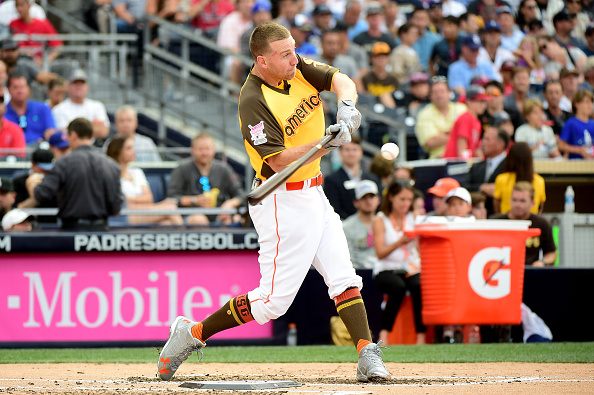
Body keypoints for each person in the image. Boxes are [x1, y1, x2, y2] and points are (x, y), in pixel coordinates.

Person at [157, 22, 391, 383]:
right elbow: (278, 160)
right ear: (262, 60)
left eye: (293, 49)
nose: (294, 58)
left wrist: (346, 106)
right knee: (272, 303)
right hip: (281, 198)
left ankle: (366, 353)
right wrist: (325, 144)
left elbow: (342, 80)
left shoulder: (296, 67)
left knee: (344, 276)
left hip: (313, 192)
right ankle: (193, 333)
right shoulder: (253, 99)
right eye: (284, 54)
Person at [23, 118, 123, 231]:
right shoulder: (112, 165)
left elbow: (40, 194)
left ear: (73, 135)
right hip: (101, 232)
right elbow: (116, 209)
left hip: (71, 232)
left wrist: (32, 182)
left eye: (68, 137)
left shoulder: (63, 163)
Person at [372, 181, 426, 345]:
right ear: (391, 198)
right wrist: (400, 242)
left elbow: (420, 246)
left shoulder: (413, 217)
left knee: (419, 286)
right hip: (386, 268)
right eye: (402, 199)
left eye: (409, 200)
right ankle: (384, 333)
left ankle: (421, 336)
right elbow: (380, 253)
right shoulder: (380, 220)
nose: (406, 204)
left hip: (410, 266)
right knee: (398, 287)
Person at [166, 132, 246, 226]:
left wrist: (229, 204)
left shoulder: (223, 169)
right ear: (192, 150)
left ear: (213, 150)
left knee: (235, 219)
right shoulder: (182, 168)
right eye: (200, 149)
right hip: (191, 215)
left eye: (207, 149)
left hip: (219, 214)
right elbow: (171, 197)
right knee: (198, 220)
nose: (204, 153)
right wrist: (194, 200)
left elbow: (241, 195)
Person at [106, 136, 183, 226]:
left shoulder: (137, 172)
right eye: (129, 148)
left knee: (167, 223)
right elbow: (119, 202)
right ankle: (186, 237)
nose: (134, 151)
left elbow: (149, 198)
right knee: (170, 208)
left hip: (142, 210)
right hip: (122, 215)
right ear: (118, 151)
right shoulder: (110, 174)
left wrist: (131, 201)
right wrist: (138, 201)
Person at [491, 181, 557, 266]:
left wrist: (542, 262)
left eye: (522, 201)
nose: (517, 205)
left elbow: (551, 253)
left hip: (530, 272)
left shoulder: (542, 224)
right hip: (502, 272)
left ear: (532, 203)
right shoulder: (496, 222)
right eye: (514, 200)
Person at [324, 135, 382, 220]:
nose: (351, 154)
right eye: (347, 150)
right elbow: (334, 208)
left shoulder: (373, 179)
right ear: (340, 153)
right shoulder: (332, 180)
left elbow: (380, 203)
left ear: (361, 152)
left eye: (355, 150)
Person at [415, 76, 467, 159]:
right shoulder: (424, 114)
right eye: (435, 92)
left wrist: (443, 134)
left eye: (442, 91)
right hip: (438, 159)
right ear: (430, 96)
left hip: (462, 157)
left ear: (449, 93)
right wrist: (457, 133)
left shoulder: (462, 109)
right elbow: (430, 142)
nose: (439, 95)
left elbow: (469, 134)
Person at [51, 69, 110, 142]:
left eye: (82, 83)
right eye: (75, 83)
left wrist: (74, 130)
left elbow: (104, 132)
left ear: (87, 87)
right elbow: (63, 134)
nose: (79, 87)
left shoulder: (97, 106)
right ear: (68, 87)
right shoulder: (58, 109)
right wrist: (92, 126)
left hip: (94, 148)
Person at [464, 127, 509, 216]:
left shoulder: (510, 165)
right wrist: (481, 187)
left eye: (487, 139)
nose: (482, 143)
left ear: (501, 144)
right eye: (483, 138)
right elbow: (464, 186)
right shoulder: (477, 166)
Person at [494, 142, 546, 214]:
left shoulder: (501, 179)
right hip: (531, 222)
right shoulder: (539, 181)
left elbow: (497, 205)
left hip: (506, 222)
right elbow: (540, 208)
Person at [4, 73, 56, 145]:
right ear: (8, 90)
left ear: (28, 89)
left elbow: (50, 132)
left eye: (22, 87)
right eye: (15, 87)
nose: (19, 91)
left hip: (39, 150)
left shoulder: (42, 108)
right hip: (11, 151)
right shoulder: (3, 111)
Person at [9, 0, 63, 67]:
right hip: (21, 63)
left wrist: (46, 60)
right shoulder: (13, 24)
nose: (19, 9)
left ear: (29, 5)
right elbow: (8, 48)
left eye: (21, 5)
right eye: (17, 6)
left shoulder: (43, 24)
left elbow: (58, 46)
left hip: (41, 63)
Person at [442, 85, 490, 159]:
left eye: (484, 102)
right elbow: (462, 147)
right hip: (453, 163)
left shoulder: (477, 121)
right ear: (469, 102)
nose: (483, 105)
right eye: (480, 101)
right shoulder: (466, 117)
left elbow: (475, 148)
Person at [343, 180, 381, 270]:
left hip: (383, 273)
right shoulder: (346, 227)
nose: (368, 201)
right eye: (364, 198)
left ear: (378, 200)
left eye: (372, 197)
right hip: (358, 273)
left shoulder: (384, 223)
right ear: (356, 202)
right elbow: (349, 259)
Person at [558, 89, 594, 159]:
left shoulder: (592, 123)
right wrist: (579, 150)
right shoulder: (570, 123)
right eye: (586, 102)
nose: (590, 105)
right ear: (576, 104)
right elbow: (561, 146)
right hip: (575, 164)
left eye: (591, 102)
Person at [0, 92, 26, 158]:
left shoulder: (15, 129)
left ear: (5, 108)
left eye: (0, 102)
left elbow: (19, 157)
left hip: (8, 167)